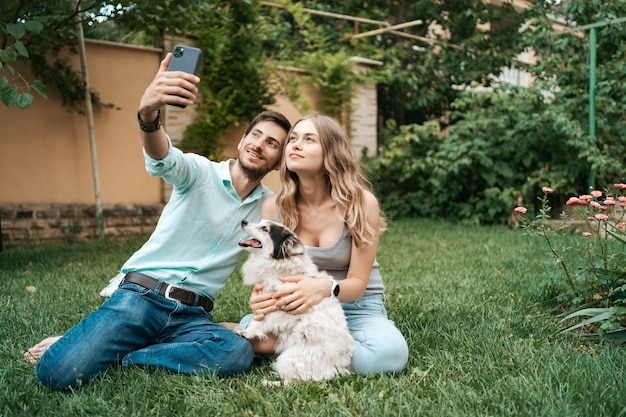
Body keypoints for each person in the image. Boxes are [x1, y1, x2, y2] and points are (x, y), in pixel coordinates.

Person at [25, 51, 291, 390]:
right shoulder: (198, 171)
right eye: (255, 135)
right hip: (142, 296)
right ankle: (99, 343)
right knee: (57, 373)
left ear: (279, 162)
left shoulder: (269, 209)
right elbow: (161, 155)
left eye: (272, 144)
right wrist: (149, 113)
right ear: (242, 140)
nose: (259, 145)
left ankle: (121, 354)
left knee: (236, 352)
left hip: (193, 317)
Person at [238, 114, 408, 375]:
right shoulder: (274, 207)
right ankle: (320, 351)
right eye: (293, 139)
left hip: (356, 307)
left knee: (387, 356)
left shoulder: (361, 203)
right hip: (297, 311)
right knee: (250, 334)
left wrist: (324, 287)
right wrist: (260, 300)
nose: (295, 145)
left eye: (309, 139)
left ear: (331, 151)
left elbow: (359, 284)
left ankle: (318, 350)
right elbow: (267, 272)